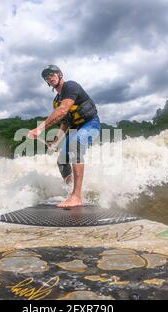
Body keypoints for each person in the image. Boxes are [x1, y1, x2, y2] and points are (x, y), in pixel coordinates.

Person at [28, 65, 101, 207]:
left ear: (60, 74)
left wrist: (40, 128)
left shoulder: (71, 86)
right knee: (61, 160)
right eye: (46, 77)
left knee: (75, 145)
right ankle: (71, 189)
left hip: (91, 124)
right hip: (74, 129)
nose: (49, 77)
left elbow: (63, 110)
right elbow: (65, 122)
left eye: (51, 74)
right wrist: (55, 141)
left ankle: (77, 197)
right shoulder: (56, 101)